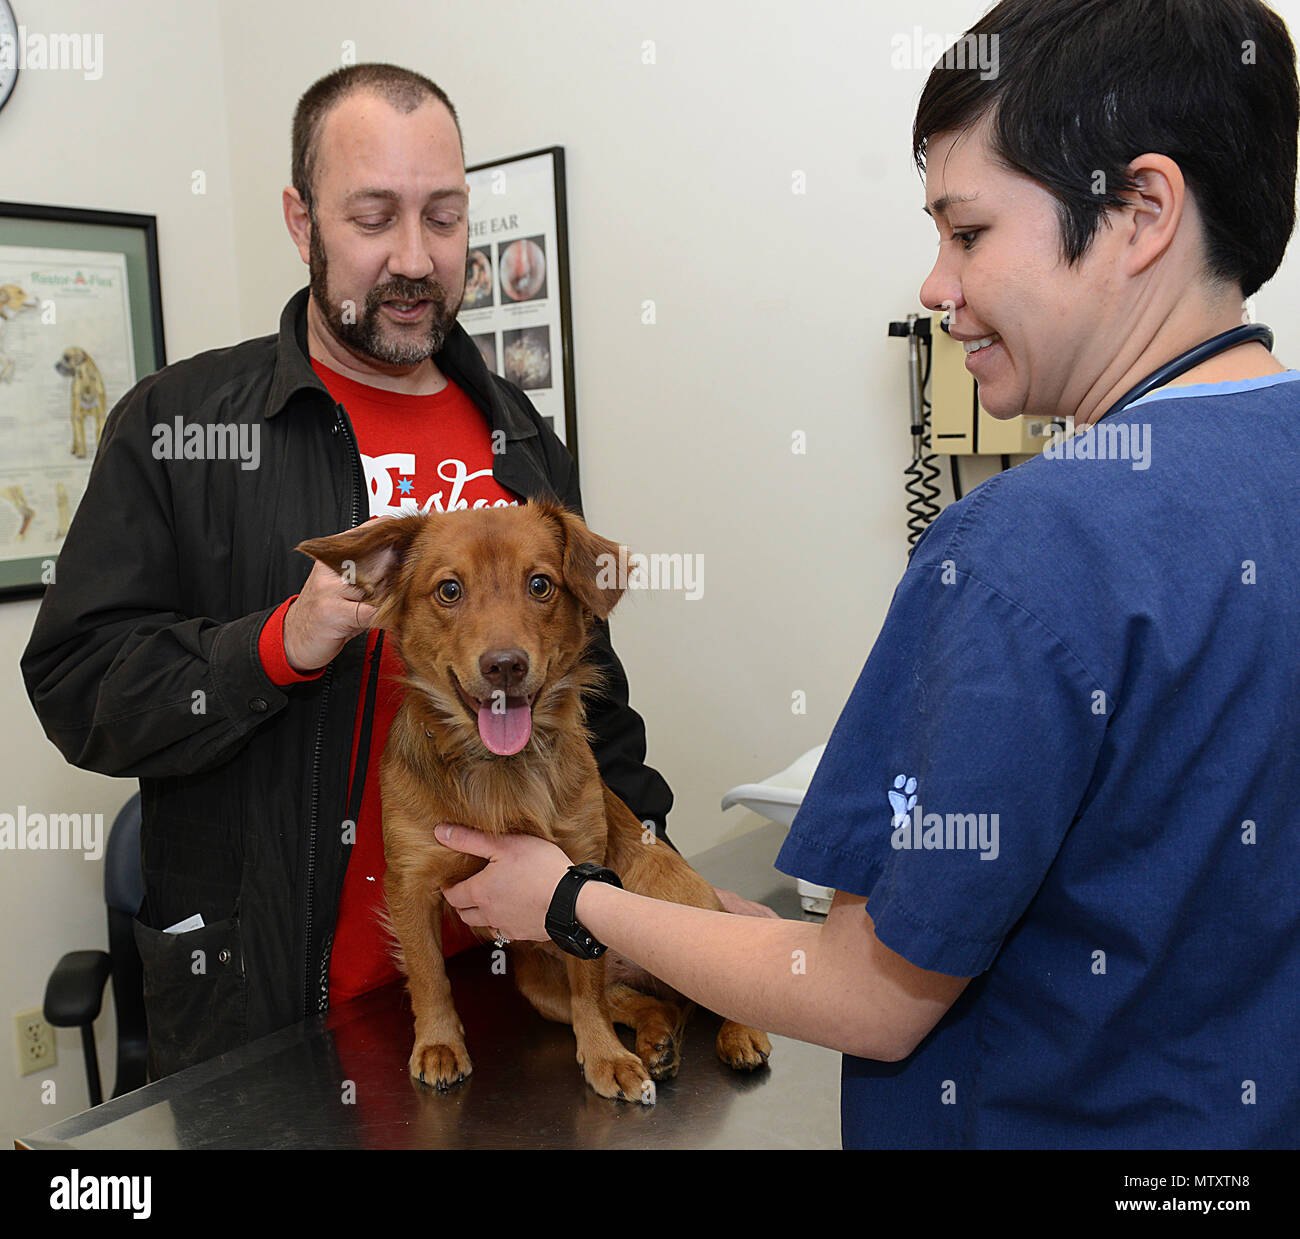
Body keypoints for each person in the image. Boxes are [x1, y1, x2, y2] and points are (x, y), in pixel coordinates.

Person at [433, 0, 1300, 1150]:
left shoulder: (1027, 548)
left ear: (1141, 211)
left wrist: (563, 899)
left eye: (969, 231)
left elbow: (865, 997)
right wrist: (677, 913)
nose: (935, 286)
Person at [21, 62, 718, 1081]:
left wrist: (645, 858)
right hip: (276, 1022)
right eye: (373, 217)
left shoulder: (521, 438)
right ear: (302, 222)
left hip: (509, 1004)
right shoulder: (181, 428)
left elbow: (590, 708)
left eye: (443, 217)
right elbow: (77, 684)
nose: (414, 257)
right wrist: (274, 647)